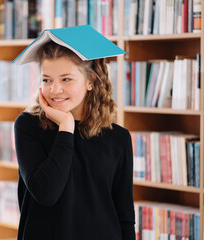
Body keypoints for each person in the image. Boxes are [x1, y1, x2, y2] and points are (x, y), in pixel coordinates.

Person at [13, 30, 135, 240]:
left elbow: (124, 215)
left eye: (66, 79)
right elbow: (46, 193)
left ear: (91, 81)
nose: (55, 89)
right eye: (47, 80)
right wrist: (66, 127)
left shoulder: (119, 139)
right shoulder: (28, 126)